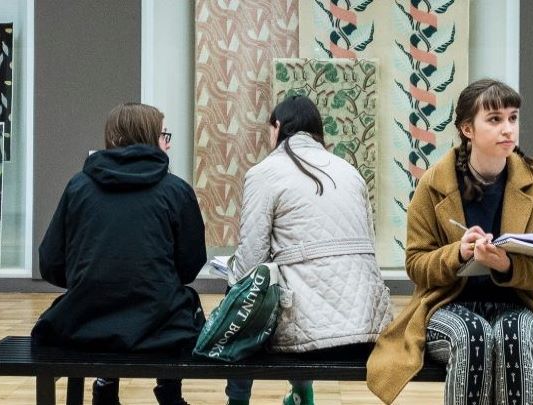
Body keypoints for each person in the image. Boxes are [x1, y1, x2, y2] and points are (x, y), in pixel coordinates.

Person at [366, 79, 533, 405]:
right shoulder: (432, 185)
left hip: (518, 304)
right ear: (467, 129)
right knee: (472, 336)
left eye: (513, 118)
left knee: (517, 334)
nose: (508, 129)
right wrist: (458, 253)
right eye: (495, 119)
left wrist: (507, 265)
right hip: (446, 305)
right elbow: (416, 264)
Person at [31, 102, 207, 405]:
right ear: (151, 136)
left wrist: (88, 278)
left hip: (84, 324)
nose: (167, 141)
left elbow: (50, 262)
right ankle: (169, 392)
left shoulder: (79, 186)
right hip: (160, 328)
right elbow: (190, 264)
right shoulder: (176, 190)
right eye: (164, 134)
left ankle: (105, 386)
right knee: (179, 301)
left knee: (106, 297)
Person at [225, 95, 393, 405]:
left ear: (277, 127)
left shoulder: (264, 172)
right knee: (300, 281)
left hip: (304, 336)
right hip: (366, 327)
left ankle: (237, 400)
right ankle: (301, 393)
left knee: (239, 290)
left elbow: (250, 263)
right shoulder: (350, 171)